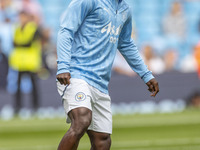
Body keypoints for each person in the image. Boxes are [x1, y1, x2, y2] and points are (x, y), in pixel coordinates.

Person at [56, 0, 159, 150]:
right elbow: (66, 31)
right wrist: (63, 65)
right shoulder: (88, 1)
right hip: (76, 73)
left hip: (101, 83)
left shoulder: (125, 9)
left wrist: (146, 74)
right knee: (82, 120)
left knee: (102, 141)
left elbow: (125, 43)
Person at [9, 10, 42, 114]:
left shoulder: (34, 28)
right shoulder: (17, 28)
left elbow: (27, 43)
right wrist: (20, 43)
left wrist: (19, 43)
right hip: (20, 62)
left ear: (28, 17)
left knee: (34, 86)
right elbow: (14, 43)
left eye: (23, 17)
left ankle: (36, 107)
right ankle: (17, 108)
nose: (21, 19)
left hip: (31, 62)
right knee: (17, 86)